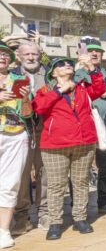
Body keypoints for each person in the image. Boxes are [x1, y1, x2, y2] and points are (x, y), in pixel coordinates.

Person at [33, 55, 106, 240]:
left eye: (69, 64)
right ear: (53, 72)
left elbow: (99, 89)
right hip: (55, 145)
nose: (67, 66)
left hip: (84, 142)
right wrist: (59, 91)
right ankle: (55, 222)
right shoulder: (45, 90)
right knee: (56, 185)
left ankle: (80, 219)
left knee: (81, 182)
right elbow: (38, 107)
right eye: (61, 64)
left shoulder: (81, 86)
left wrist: (92, 69)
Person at [10, 41, 49, 234]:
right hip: (20, 131)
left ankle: (44, 213)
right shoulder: (13, 75)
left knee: (45, 172)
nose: (31, 58)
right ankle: (22, 217)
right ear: (19, 55)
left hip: (46, 130)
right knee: (21, 175)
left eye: (35, 54)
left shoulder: (50, 74)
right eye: (27, 54)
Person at [80, 37, 106, 216]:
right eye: (90, 51)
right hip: (83, 127)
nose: (94, 53)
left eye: (98, 51)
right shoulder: (77, 71)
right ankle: (78, 206)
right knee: (80, 169)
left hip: (105, 126)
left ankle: (105, 201)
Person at [0, 42, 32, 249]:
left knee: (10, 184)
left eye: (5, 54)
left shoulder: (19, 80)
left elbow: (28, 113)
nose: (2, 56)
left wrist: (25, 98)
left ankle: (3, 231)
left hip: (15, 134)